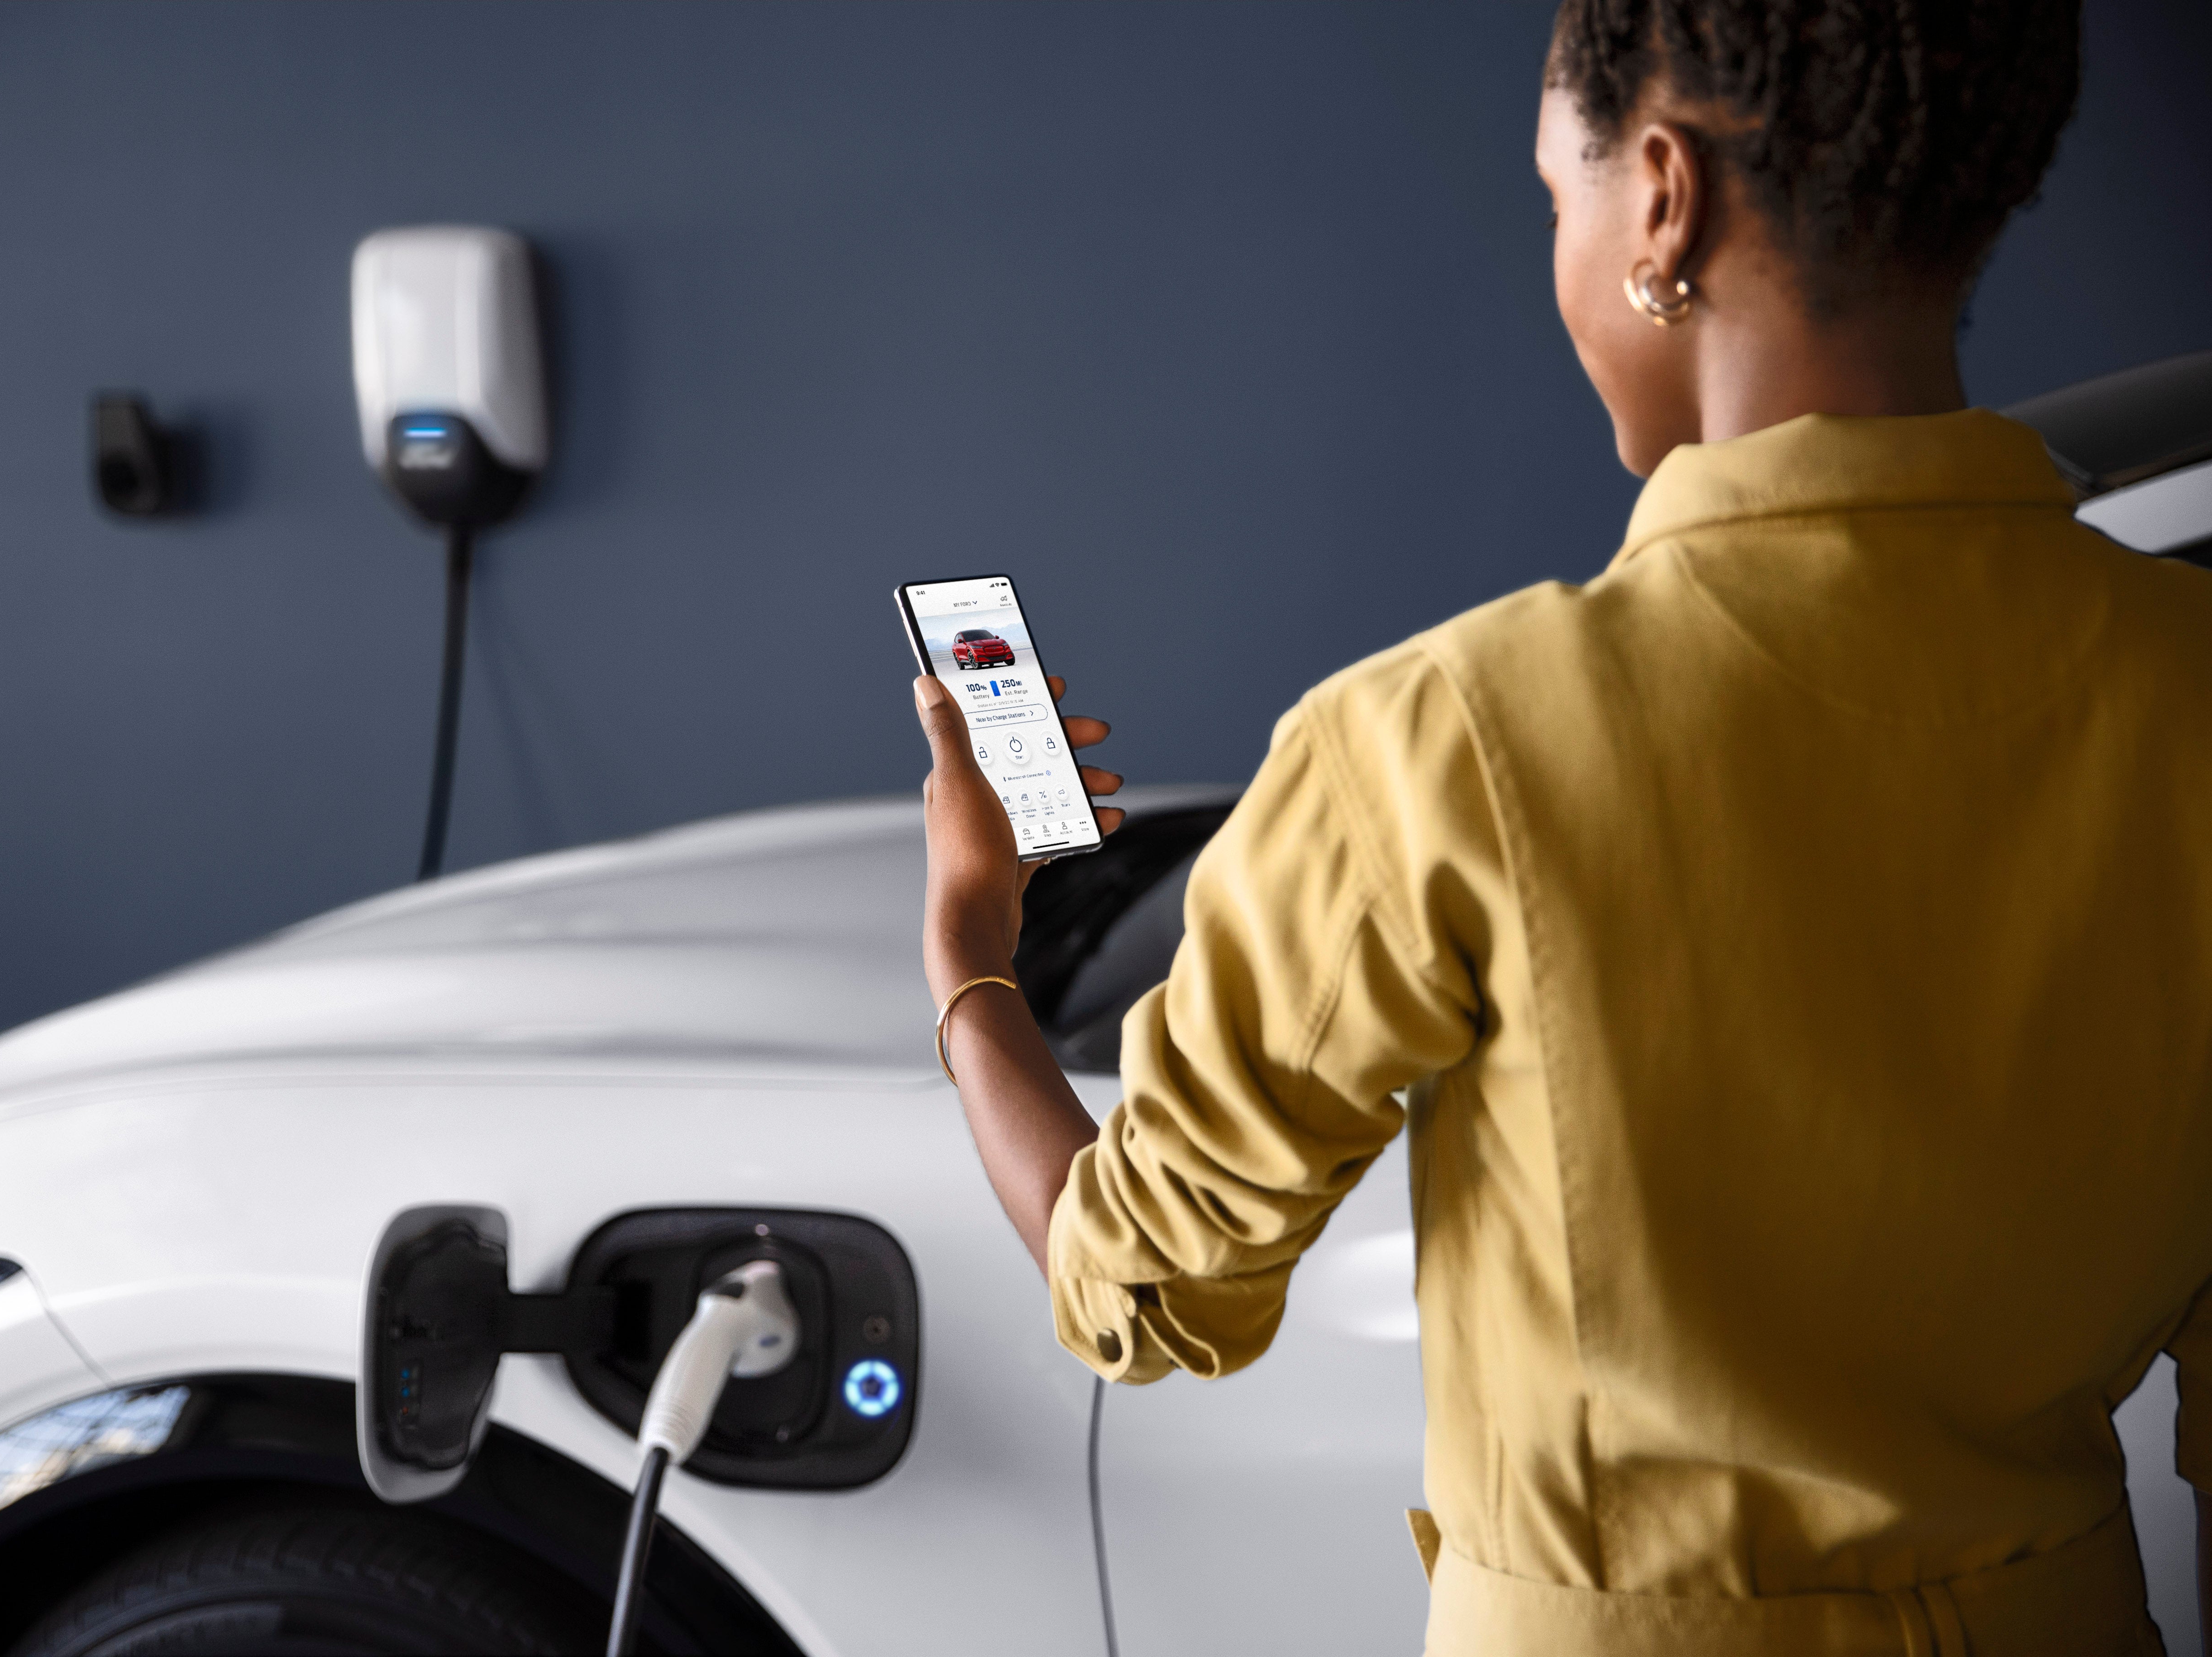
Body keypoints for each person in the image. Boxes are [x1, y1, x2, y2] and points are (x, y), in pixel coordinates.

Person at [910, 1, 2212, 1652]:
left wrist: (969, 959)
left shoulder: (1450, 737)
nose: (1559, 256)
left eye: (1557, 199)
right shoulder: (2189, 697)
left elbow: (1144, 1283)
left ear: (1662, 198)